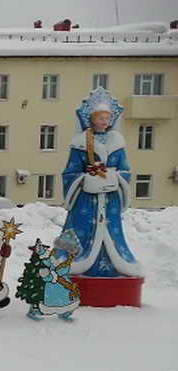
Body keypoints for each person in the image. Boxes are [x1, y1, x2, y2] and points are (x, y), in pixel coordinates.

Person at [59, 87, 142, 278]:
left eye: (107, 118)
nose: (105, 122)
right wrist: (86, 178)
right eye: (101, 118)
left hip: (110, 198)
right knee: (79, 228)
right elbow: (70, 172)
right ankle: (68, 261)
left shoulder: (117, 142)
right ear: (91, 119)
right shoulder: (81, 143)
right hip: (85, 201)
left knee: (112, 230)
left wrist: (116, 177)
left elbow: (125, 170)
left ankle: (113, 267)